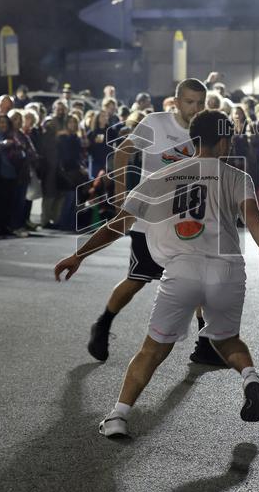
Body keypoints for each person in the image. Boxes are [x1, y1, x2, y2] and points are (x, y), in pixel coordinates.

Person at [53, 110, 259, 439]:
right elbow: (254, 218)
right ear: (222, 142)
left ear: (193, 140)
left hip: (182, 270)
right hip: (228, 270)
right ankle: (250, 378)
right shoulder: (237, 176)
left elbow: (118, 224)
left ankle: (118, 416)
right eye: (229, 140)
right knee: (226, 339)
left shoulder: (161, 176)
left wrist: (79, 255)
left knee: (152, 351)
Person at [86, 79, 212, 365]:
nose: (195, 108)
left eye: (200, 103)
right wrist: (120, 195)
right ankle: (103, 324)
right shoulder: (155, 123)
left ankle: (205, 343)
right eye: (190, 102)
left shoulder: (205, 130)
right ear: (176, 102)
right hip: (150, 221)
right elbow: (122, 153)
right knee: (137, 280)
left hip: (186, 220)